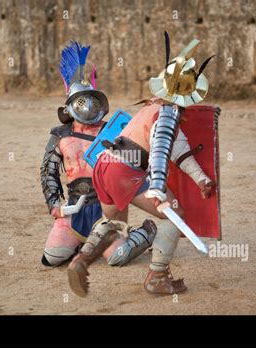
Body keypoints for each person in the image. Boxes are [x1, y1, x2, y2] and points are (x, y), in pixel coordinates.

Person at [67, 33, 215, 296]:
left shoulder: (151, 107)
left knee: (114, 224)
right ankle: (157, 276)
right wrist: (157, 186)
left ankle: (82, 261)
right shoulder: (168, 115)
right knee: (176, 214)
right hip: (125, 170)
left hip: (104, 165)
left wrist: (201, 177)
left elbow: (178, 151)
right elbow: (160, 150)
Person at [40, 41, 155, 267]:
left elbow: (138, 162)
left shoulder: (114, 130)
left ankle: (146, 232)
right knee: (52, 258)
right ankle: (80, 241)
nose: (88, 105)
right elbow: (48, 171)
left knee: (116, 257)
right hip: (75, 210)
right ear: (70, 106)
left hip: (107, 208)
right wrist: (56, 206)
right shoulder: (60, 136)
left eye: (91, 99)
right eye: (82, 101)